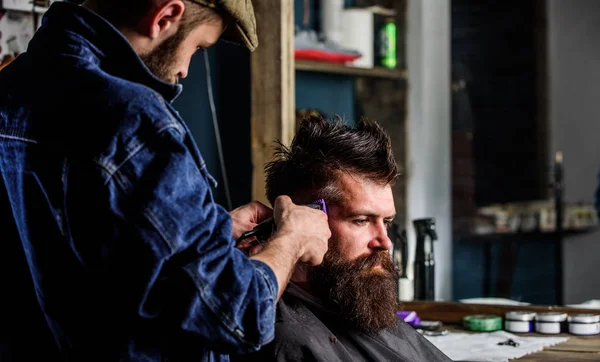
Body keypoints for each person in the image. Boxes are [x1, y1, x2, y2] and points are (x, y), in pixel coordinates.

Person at [0, 0, 331, 361]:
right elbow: (237, 315)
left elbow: (78, 251)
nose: (186, 70)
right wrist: (291, 240)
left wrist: (210, 232)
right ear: (165, 17)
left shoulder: (12, 87)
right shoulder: (136, 124)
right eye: (198, 47)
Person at [234, 115, 452, 362]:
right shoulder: (290, 342)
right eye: (361, 220)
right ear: (306, 218)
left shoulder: (352, 300)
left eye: (387, 222)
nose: (385, 241)